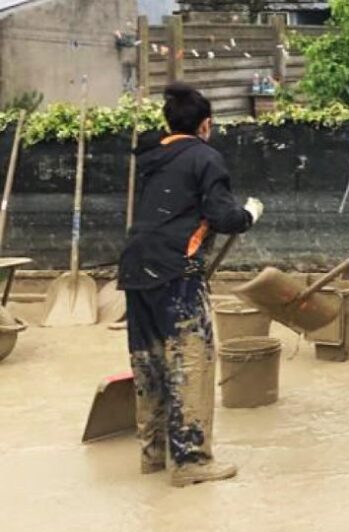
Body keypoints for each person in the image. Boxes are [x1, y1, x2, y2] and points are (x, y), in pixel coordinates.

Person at [117, 83, 262, 487]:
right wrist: (248, 214)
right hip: (175, 271)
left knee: (149, 362)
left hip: (135, 268)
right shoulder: (205, 157)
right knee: (191, 361)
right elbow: (221, 215)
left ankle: (153, 455)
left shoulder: (150, 157)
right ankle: (191, 460)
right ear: (206, 125)